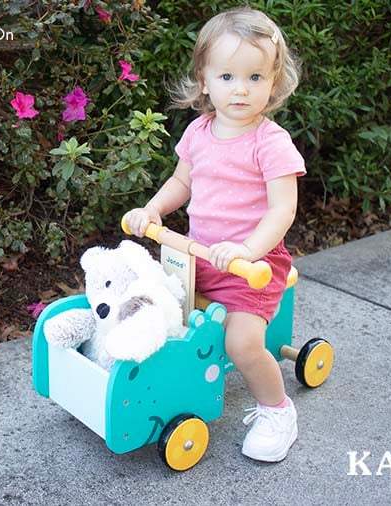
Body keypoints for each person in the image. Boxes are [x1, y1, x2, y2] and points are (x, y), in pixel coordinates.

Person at [123, 7, 305, 463]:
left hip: (253, 266)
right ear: (204, 80)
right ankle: (157, 387)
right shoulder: (199, 132)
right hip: (199, 257)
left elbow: (283, 209)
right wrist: (152, 210)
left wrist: (247, 250)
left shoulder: (271, 141)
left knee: (241, 342)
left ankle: (276, 410)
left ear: (273, 81)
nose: (241, 88)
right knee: (160, 311)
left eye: (255, 77)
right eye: (227, 75)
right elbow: (182, 183)